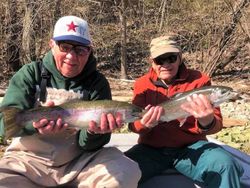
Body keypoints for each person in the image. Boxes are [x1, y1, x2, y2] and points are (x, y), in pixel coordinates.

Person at [0, 15, 141, 188]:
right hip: (28, 161)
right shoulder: (30, 73)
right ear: (52, 45)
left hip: (80, 163)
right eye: (64, 47)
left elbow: (87, 145)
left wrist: (94, 132)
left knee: (126, 171)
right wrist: (33, 125)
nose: (71, 56)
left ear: (89, 51)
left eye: (80, 50)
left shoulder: (97, 83)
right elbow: (3, 125)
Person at [124, 35, 244, 188]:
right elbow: (133, 126)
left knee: (226, 165)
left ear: (180, 58)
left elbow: (217, 125)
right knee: (118, 170)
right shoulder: (142, 84)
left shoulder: (200, 81)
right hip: (150, 150)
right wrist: (144, 124)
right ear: (152, 62)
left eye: (171, 58)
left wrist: (206, 121)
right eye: (160, 60)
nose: (166, 64)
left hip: (192, 148)